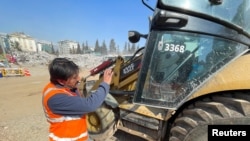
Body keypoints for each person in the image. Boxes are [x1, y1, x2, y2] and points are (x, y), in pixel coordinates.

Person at [42, 57, 113, 141]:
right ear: (61, 81)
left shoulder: (65, 87)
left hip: (80, 136)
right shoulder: (56, 98)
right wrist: (105, 84)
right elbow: (90, 105)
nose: (79, 79)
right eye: (74, 77)